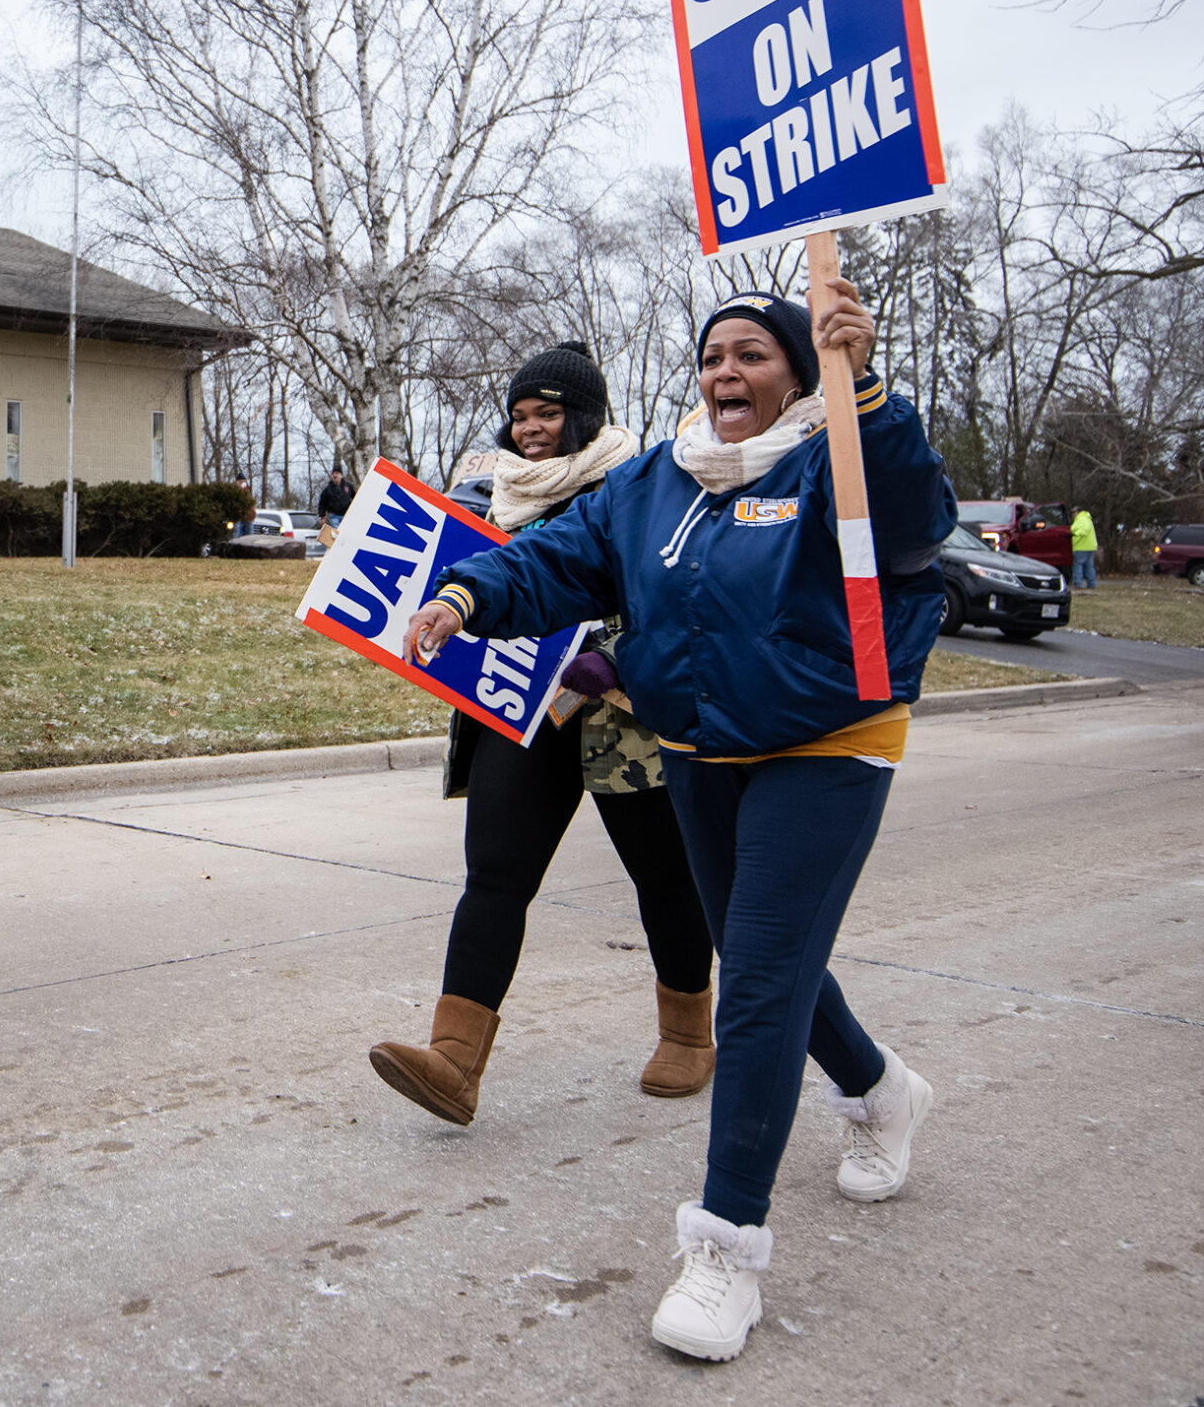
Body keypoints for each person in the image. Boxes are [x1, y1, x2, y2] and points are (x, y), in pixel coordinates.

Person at [401, 286, 955, 1365]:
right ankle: (880, 1088)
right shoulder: (659, 479)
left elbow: (914, 518)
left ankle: (724, 1249)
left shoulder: (836, 452)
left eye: (751, 354)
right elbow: (559, 556)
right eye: (711, 357)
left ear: (796, 370)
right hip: (700, 745)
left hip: (831, 740)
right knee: (765, 953)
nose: (725, 373)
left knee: (752, 974)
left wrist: (868, 394)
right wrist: (467, 595)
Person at [369, 341, 715, 1129]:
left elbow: (679, 593)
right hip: (520, 714)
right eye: (520, 416)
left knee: (663, 878)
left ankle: (690, 1033)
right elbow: (465, 576)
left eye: (548, 414)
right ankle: (453, 1061)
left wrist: (609, 658)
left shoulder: (645, 487)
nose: (529, 431)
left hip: (624, 720)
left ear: (585, 417)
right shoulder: (488, 496)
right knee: (494, 873)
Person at [315, 466, 352, 546]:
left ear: (341, 475)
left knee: (346, 532)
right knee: (336, 532)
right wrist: (322, 516)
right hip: (334, 515)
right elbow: (322, 503)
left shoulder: (348, 486)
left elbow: (355, 496)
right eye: (333, 474)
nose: (335, 475)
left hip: (346, 515)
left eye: (337, 473)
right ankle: (338, 547)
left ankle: (346, 545)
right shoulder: (328, 489)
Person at [1070, 506, 1099, 590]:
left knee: (1078, 565)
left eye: (1073, 512)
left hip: (1081, 546)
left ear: (1078, 512)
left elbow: (1084, 531)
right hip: (1089, 546)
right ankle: (1091, 584)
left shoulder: (1082, 519)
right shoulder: (1086, 518)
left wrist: (1074, 534)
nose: (1073, 514)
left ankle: (1078, 584)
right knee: (1089, 566)